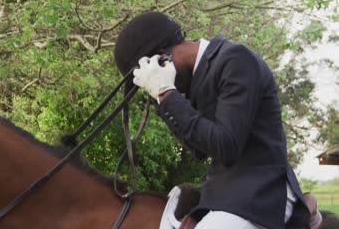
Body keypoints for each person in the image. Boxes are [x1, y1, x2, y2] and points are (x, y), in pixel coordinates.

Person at [113, 12, 310, 229]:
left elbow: (226, 145)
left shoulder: (236, 59)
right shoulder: (198, 80)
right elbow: (200, 150)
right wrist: (165, 98)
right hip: (224, 193)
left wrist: (167, 94)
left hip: (262, 192)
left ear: (162, 58)